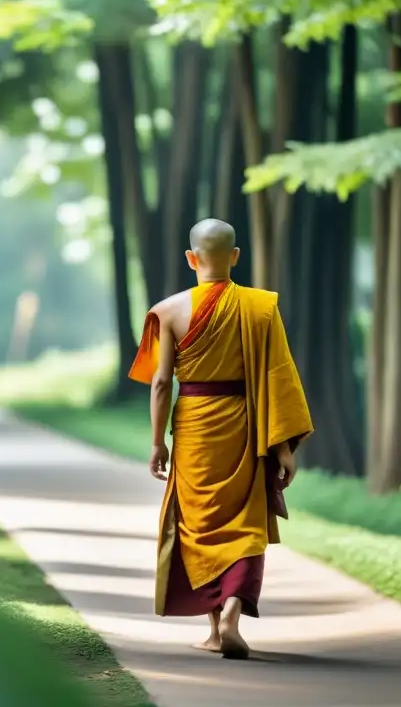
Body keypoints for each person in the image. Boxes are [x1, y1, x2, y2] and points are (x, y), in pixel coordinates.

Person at [128, 218, 313, 660]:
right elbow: (276, 378)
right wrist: (282, 447)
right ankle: (230, 614)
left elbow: (160, 384)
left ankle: (217, 626)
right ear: (234, 257)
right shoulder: (260, 308)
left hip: (195, 426)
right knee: (245, 522)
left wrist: (157, 444)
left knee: (200, 524)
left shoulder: (167, 311)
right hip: (247, 425)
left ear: (191, 259)